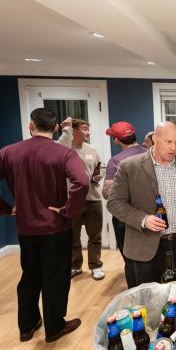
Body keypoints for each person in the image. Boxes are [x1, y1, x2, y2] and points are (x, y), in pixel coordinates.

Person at [0, 108, 87, 343]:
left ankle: (27, 325)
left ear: (30, 126)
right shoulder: (64, 153)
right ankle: (54, 327)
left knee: (30, 276)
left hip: (26, 228)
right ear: (56, 128)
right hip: (56, 227)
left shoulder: (10, 152)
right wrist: (67, 210)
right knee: (55, 277)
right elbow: (82, 182)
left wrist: (4, 208)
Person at [107, 121, 176, 288]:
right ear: (155, 139)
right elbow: (114, 202)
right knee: (147, 299)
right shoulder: (129, 166)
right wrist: (143, 219)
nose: (174, 147)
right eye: (168, 142)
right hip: (144, 244)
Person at [57, 117, 104, 280]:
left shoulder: (92, 150)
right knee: (73, 236)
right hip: (71, 200)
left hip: (93, 199)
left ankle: (96, 266)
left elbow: (99, 169)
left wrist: (98, 176)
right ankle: (75, 266)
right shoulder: (63, 149)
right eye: (84, 129)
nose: (88, 132)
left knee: (95, 235)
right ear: (74, 130)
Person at [102, 121, 146, 255]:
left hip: (125, 216)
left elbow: (108, 193)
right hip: (151, 213)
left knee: (129, 256)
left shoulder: (116, 161)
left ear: (116, 139)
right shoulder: (151, 155)